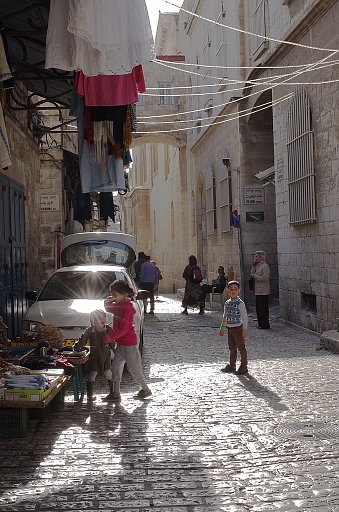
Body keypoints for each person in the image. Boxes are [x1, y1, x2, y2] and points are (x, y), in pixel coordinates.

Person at [103, 280, 152, 401]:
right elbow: (108, 308)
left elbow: (125, 328)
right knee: (116, 367)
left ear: (124, 294)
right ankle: (116, 392)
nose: (114, 297)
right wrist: (110, 300)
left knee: (134, 368)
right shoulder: (119, 305)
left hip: (129, 343)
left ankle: (145, 389)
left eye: (115, 295)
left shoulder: (128, 308)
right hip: (121, 343)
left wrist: (111, 337)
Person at [73, 309, 115, 402]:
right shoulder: (90, 330)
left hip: (105, 355)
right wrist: (75, 349)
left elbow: (112, 343)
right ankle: (90, 395)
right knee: (93, 373)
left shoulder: (108, 329)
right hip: (95, 355)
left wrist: (104, 331)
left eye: (103, 317)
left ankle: (113, 392)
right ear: (94, 321)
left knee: (108, 372)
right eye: (99, 318)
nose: (102, 320)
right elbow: (82, 340)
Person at [219, 280, 249, 375]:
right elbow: (225, 315)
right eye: (231, 289)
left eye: (235, 289)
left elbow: (244, 317)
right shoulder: (227, 303)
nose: (233, 291)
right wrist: (222, 327)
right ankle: (232, 365)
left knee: (241, 347)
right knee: (232, 348)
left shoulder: (240, 303)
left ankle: (244, 366)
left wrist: (244, 330)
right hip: (230, 329)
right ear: (227, 290)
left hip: (238, 328)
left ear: (239, 290)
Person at [250, 250, 271, 329]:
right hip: (258, 290)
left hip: (264, 290)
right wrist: (253, 266)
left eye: (256, 256)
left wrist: (255, 276)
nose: (255, 258)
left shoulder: (265, 266)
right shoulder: (257, 265)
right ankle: (260, 323)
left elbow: (265, 278)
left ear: (261, 257)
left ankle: (265, 324)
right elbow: (252, 273)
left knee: (263, 308)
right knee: (258, 308)